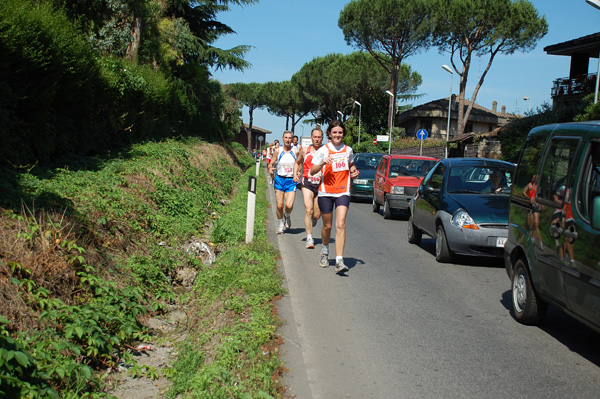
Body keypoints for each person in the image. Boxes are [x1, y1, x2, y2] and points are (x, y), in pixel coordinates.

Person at [310, 120, 359, 274]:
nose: (337, 135)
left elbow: (351, 165)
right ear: (329, 134)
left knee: (341, 224)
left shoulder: (348, 150)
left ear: (343, 134)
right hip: (325, 192)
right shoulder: (323, 150)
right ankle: (324, 251)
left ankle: (339, 260)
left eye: (340, 132)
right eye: (335, 132)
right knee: (327, 226)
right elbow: (312, 171)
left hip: (343, 191)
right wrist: (322, 163)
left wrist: (354, 172)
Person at [293, 127, 324, 249]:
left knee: (316, 215)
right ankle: (309, 238)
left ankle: (313, 219)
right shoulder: (305, 151)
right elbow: (297, 162)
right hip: (307, 183)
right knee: (308, 209)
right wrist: (296, 174)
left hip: (321, 184)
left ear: (322, 138)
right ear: (311, 138)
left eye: (319, 137)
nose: (317, 139)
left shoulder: (326, 151)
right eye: (315, 137)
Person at [268, 132, 299, 234]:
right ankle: (281, 224)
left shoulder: (295, 151)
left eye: (290, 138)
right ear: (282, 139)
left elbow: (300, 163)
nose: (288, 140)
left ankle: (287, 215)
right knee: (279, 205)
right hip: (280, 179)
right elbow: (271, 162)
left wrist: (297, 173)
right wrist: (270, 168)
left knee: (289, 205)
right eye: (286, 138)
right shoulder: (278, 151)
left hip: (291, 181)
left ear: (292, 139)